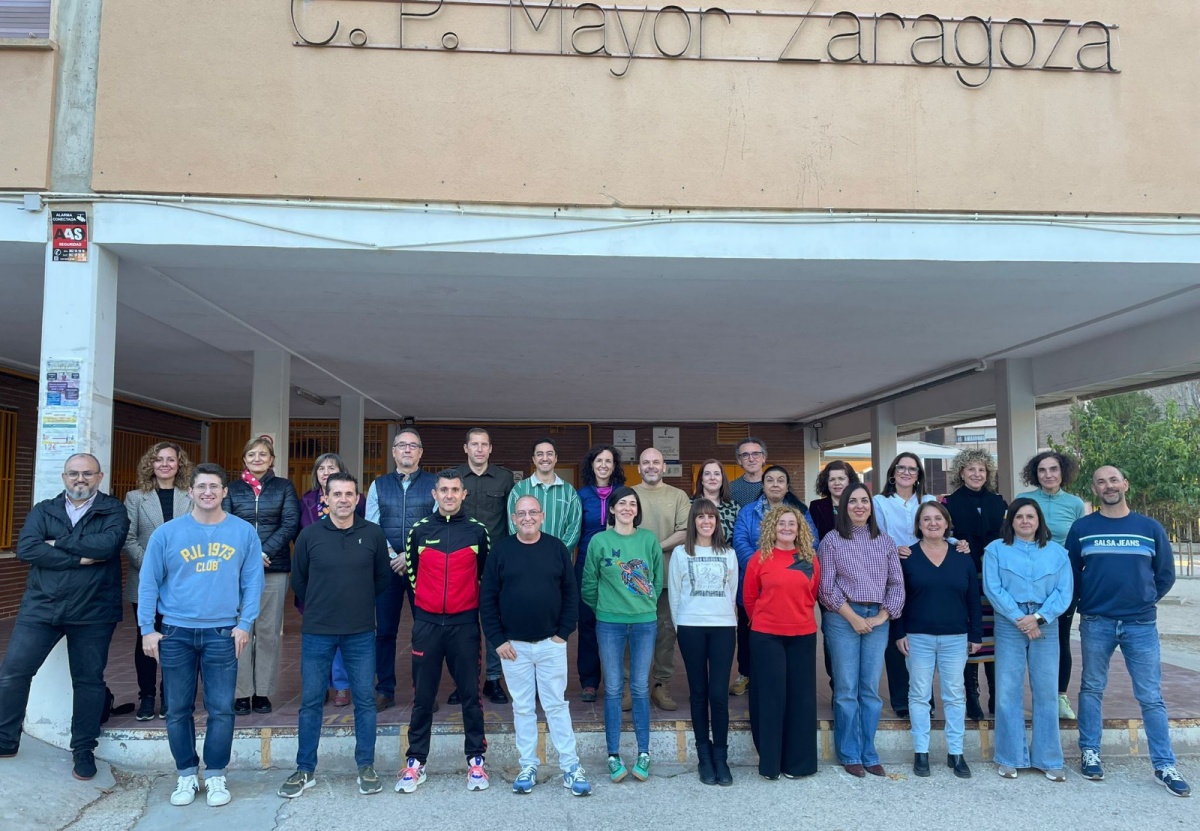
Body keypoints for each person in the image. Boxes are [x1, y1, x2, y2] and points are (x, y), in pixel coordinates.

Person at [138, 463, 264, 807]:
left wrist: (245, 623)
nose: (208, 492)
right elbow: (148, 583)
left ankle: (216, 773)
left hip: (222, 631)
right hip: (175, 631)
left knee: (221, 708)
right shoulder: (167, 534)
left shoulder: (243, 532)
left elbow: (253, 582)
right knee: (177, 708)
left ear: (225, 492)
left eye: (214, 487)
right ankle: (186, 773)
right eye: (202, 487)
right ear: (190, 492)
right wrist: (147, 629)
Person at [0, 454, 130, 780]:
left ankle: (83, 750)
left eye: (87, 473)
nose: (80, 479)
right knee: (13, 673)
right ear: (64, 477)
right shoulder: (44, 509)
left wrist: (57, 543)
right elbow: (27, 548)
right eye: (73, 473)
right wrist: (77, 558)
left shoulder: (113, 509)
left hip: (93, 610)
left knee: (88, 681)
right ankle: (5, 740)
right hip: (41, 607)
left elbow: (107, 546)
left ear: (99, 477)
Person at [1067, 466, 1191, 797]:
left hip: (1140, 624)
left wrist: (1143, 600)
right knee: (1092, 688)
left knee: (1150, 696)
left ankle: (1164, 765)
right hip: (1097, 621)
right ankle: (1090, 752)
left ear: (1125, 484)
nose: (1108, 486)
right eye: (1101, 482)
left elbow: (1164, 574)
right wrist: (1086, 602)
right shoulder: (1082, 529)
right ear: (1094, 489)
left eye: (1113, 480)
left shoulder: (1149, 528)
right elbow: (1072, 573)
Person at [279, 471, 390, 799]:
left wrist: (356, 604)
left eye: (349, 494)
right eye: (336, 494)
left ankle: (366, 766)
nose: (343, 500)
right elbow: (299, 581)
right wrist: (322, 605)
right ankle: (305, 769)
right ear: (325, 499)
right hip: (318, 631)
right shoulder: (309, 535)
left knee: (365, 701)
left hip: (360, 631)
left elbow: (382, 580)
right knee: (311, 701)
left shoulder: (373, 534)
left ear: (357, 499)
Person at [480, 495, 592, 797]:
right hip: (513, 648)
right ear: (513, 519)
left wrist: (563, 634)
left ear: (542, 516)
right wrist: (498, 640)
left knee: (556, 705)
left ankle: (570, 766)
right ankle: (528, 765)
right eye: (521, 513)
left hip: (550, 644)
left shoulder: (556, 549)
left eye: (532, 512)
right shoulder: (501, 551)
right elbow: (487, 599)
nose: (527, 517)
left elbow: (571, 594)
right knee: (523, 708)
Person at [397, 470, 492, 794]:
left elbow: (483, 576)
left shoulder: (478, 531)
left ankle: (476, 760)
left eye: (455, 490)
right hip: (427, 625)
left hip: (464, 625)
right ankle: (415, 762)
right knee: (423, 697)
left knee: (470, 695)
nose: (449, 495)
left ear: (464, 494)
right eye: (444, 490)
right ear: (434, 494)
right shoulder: (419, 531)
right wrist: (429, 606)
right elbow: (413, 576)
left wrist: (461, 605)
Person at [818, 482, 904, 778]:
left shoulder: (885, 541)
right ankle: (849, 753)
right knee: (846, 689)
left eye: (864, 501)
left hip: (877, 618)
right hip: (843, 617)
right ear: (844, 507)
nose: (859, 506)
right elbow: (826, 587)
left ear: (871, 507)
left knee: (869, 689)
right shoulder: (832, 540)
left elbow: (896, 584)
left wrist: (882, 616)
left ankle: (869, 751)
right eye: (853, 501)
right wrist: (852, 617)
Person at [983, 497, 1072, 781]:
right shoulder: (995, 550)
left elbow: (1064, 591)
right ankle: (1010, 757)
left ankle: (1049, 758)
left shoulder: (1058, 553)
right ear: (1011, 521)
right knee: (1007, 690)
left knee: (1046, 691)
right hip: (1009, 622)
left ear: (1039, 521)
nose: (1024, 521)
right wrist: (1020, 618)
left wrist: (1039, 618)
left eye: (1030, 516)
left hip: (1046, 623)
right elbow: (993, 588)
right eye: (1019, 516)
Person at [892, 502, 981, 779]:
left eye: (938, 518)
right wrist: (899, 632)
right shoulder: (907, 557)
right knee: (919, 695)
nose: (933, 523)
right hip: (917, 637)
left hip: (956, 637)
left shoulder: (962, 556)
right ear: (919, 525)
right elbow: (898, 597)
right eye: (927, 519)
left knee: (954, 695)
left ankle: (956, 753)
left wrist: (976, 634)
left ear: (947, 523)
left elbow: (973, 599)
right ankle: (921, 752)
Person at [581, 486, 663, 784]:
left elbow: (656, 578)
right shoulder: (599, 541)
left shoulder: (648, 539)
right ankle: (613, 754)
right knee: (614, 688)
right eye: (622, 503)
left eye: (633, 504)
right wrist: (606, 608)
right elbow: (589, 583)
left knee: (640, 687)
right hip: (609, 623)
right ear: (612, 509)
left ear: (637, 510)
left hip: (644, 622)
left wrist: (644, 605)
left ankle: (644, 753)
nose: (628, 508)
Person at [222, 436, 300, 716]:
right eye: (252, 454)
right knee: (240, 631)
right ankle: (241, 693)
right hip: (236, 570)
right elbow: (225, 523)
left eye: (263, 454)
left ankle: (262, 692)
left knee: (267, 632)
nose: (257, 459)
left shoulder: (284, 487)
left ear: (272, 460)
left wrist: (263, 552)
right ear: (244, 459)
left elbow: (290, 523)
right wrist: (247, 557)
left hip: (273, 567)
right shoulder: (231, 489)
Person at [744, 505, 821, 782]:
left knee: (801, 700)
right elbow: (749, 598)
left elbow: (812, 594)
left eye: (792, 524)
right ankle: (771, 764)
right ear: (772, 528)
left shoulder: (809, 559)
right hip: (767, 637)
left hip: (803, 635)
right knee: (771, 698)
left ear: (800, 529)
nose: (787, 528)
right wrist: (766, 621)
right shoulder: (759, 558)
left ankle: (797, 764)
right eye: (781, 523)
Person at [366, 428, 437, 712]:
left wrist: (410, 555)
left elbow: (435, 526)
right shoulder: (379, 485)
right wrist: (393, 555)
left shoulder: (434, 484)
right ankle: (385, 689)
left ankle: (424, 691)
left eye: (413, 445)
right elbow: (372, 526)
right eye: (402, 445)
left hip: (424, 568)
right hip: (387, 568)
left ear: (421, 452)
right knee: (384, 631)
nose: (407, 450)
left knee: (425, 631)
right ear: (394, 451)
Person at [730, 465, 816, 698]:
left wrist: (782, 571)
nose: (775, 484)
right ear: (763, 485)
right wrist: (762, 570)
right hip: (754, 583)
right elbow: (740, 542)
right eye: (770, 480)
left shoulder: (800, 511)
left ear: (787, 486)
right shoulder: (748, 512)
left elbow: (811, 542)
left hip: (790, 585)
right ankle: (747, 674)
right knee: (749, 633)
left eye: (780, 480)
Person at [669, 499, 738, 786]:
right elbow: (674, 594)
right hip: (691, 627)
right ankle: (704, 757)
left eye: (711, 517)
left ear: (717, 522)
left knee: (718, 694)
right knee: (698, 693)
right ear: (693, 522)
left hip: (723, 627)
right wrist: (681, 626)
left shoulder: (729, 553)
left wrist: (726, 618)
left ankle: (721, 756)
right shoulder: (680, 553)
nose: (706, 522)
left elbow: (732, 592)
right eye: (700, 517)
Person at [123, 442, 193, 721]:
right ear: (150, 464)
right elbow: (128, 539)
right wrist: (153, 567)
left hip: (182, 580)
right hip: (145, 580)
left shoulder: (190, 496)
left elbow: (198, 535)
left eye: (171, 459)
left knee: (175, 640)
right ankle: (147, 696)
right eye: (159, 459)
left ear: (179, 464)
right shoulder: (135, 498)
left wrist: (178, 568)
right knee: (146, 638)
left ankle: (169, 696)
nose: (165, 464)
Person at [1017, 450, 1087, 720]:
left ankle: (1059, 696)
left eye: (1053, 469)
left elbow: (1079, 545)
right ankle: (1023, 695)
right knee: (1021, 638)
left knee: (1060, 638)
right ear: (1035, 474)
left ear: (1063, 472)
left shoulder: (1075, 504)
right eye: (1042, 470)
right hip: (1027, 580)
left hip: (1062, 582)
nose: (1048, 475)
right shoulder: (1024, 500)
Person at [943, 448, 1007, 722]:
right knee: (970, 632)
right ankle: (972, 696)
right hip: (965, 577)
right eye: (971, 469)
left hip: (995, 578)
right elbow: (943, 536)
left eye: (981, 469)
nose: (977, 474)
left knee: (995, 636)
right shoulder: (948, 503)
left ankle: (995, 694)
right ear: (961, 472)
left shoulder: (1000, 503)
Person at [298, 453, 365, 708]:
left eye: (331, 467)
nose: (326, 472)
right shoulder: (306, 501)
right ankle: (320, 684)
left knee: (342, 635)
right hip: (316, 579)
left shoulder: (356, 500)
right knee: (318, 637)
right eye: (321, 468)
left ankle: (341, 685)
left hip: (348, 578)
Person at [872, 452, 935, 718]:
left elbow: (941, 531)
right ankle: (900, 699)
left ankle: (925, 699)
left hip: (924, 571)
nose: (906, 472)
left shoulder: (929, 501)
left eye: (912, 469)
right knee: (895, 634)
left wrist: (959, 543)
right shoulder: (879, 502)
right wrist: (893, 548)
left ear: (919, 475)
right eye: (901, 468)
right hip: (893, 570)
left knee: (922, 635)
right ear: (893, 472)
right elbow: (876, 534)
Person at [455, 428, 515, 704]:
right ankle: (464, 681)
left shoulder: (504, 478)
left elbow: (511, 521)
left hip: (494, 563)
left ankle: (493, 679)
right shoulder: (453, 477)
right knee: (463, 625)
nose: (479, 449)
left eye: (484, 445)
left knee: (493, 622)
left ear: (490, 449)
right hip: (459, 562)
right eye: (474, 444)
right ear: (465, 448)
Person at [632, 447, 690, 711]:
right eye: (646, 462)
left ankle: (660, 685)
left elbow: (685, 531)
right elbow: (616, 531)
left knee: (665, 633)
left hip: (667, 577)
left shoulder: (678, 496)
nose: (651, 466)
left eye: (656, 462)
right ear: (639, 468)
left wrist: (654, 548)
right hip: (633, 582)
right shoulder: (628, 495)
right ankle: (629, 685)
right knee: (630, 633)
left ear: (664, 467)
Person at [575, 444, 626, 702]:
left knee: (617, 623)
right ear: (592, 465)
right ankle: (589, 681)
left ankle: (618, 681)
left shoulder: (624, 494)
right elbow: (574, 531)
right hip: (586, 564)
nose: (603, 465)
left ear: (614, 466)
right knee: (587, 623)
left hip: (617, 565)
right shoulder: (581, 496)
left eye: (608, 461)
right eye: (599, 461)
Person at [808, 460, 859, 543]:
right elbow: (811, 538)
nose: (836, 483)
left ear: (850, 481)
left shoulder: (860, 506)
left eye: (841, 479)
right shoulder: (816, 506)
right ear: (826, 482)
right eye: (832, 479)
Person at [692, 459, 739, 547]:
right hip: (695, 554)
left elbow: (739, 537)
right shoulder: (689, 505)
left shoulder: (734, 507)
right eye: (707, 474)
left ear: (722, 479)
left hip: (726, 554)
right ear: (701, 479)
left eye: (717, 474)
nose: (712, 478)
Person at [729, 437, 768, 507]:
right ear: (739, 460)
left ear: (763, 458)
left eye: (755, 454)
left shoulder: (775, 485)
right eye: (745, 455)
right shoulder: (731, 489)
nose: (751, 459)